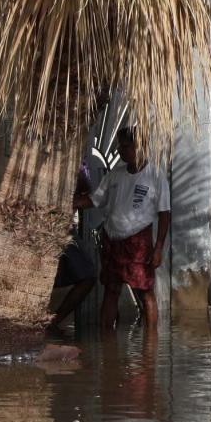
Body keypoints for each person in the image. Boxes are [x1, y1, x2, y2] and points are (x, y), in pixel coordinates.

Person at [74, 126, 171, 330]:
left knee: (145, 291)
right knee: (111, 290)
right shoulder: (114, 175)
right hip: (112, 240)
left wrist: (158, 248)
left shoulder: (155, 175)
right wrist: (69, 202)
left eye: (126, 146)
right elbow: (94, 200)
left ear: (140, 146)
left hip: (138, 241)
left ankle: (150, 349)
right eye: (120, 145)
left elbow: (164, 213)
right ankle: (107, 344)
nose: (121, 150)